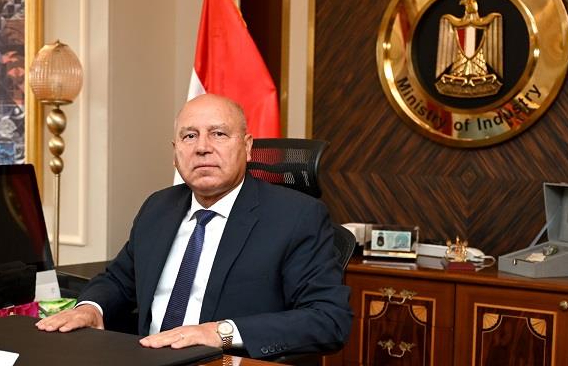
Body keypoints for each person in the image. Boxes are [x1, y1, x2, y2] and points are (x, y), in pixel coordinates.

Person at [36, 94, 352, 359]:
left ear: (247, 147)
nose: (202, 147)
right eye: (190, 136)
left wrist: (219, 333)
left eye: (218, 134)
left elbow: (328, 319)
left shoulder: (296, 217)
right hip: (147, 357)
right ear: (175, 153)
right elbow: (119, 280)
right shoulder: (158, 207)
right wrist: (90, 309)